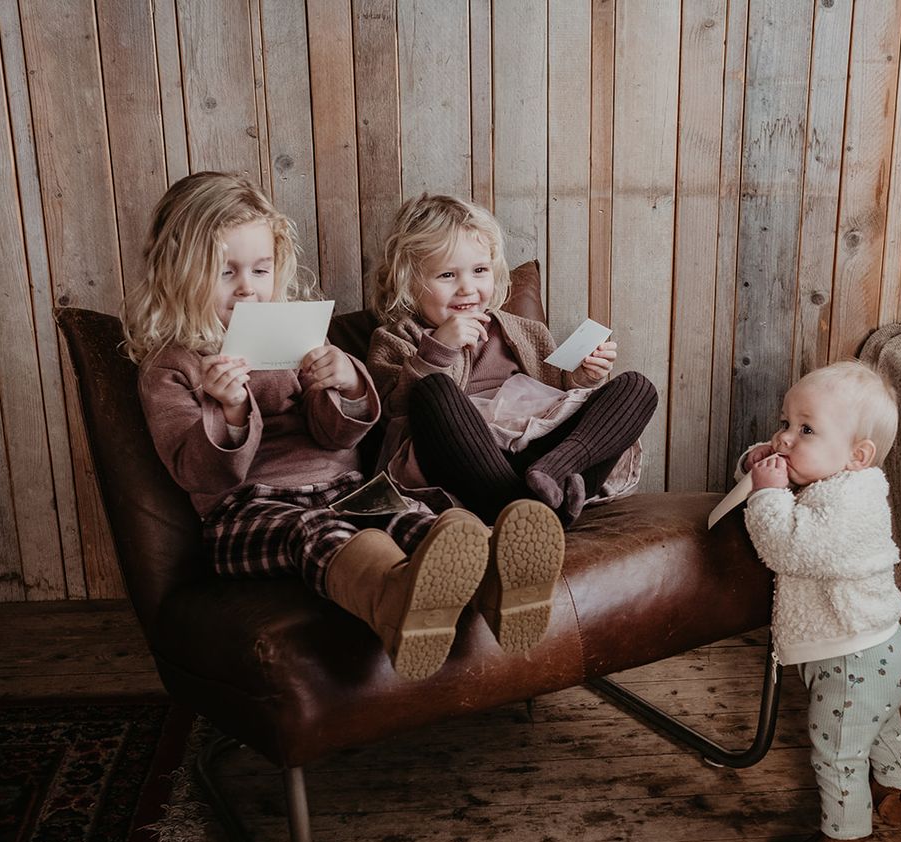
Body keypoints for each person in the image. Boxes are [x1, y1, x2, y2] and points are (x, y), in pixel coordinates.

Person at [121, 171, 538, 681]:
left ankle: (503, 582)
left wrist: (344, 384)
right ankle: (395, 604)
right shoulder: (171, 366)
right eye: (225, 273)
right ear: (178, 272)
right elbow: (201, 474)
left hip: (345, 487)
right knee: (316, 532)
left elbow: (338, 435)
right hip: (248, 510)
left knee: (412, 516)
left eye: (260, 269)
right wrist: (228, 410)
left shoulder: (291, 334)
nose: (248, 289)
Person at [366, 194, 658, 531]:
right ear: (409, 282)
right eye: (446, 275)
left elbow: (556, 393)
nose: (467, 288)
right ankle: (528, 505)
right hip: (472, 458)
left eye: (479, 271)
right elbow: (394, 414)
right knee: (433, 389)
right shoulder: (396, 338)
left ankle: (552, 477)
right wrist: (437, 350)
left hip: (541, 450)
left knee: (637, 387)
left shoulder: (526, 331)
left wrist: (581, 378)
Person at [737, 360, 901, 842]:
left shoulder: (848, 506)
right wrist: (761, 468)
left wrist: (768, 494)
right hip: (883, 651)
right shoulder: (845, 482)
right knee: (881, 722)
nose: (785, 438)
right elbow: (789, 487)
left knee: (837, 754)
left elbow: (788, 546)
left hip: (851, 660)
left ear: (857, 455)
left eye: (806, 429)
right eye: (786, 422)